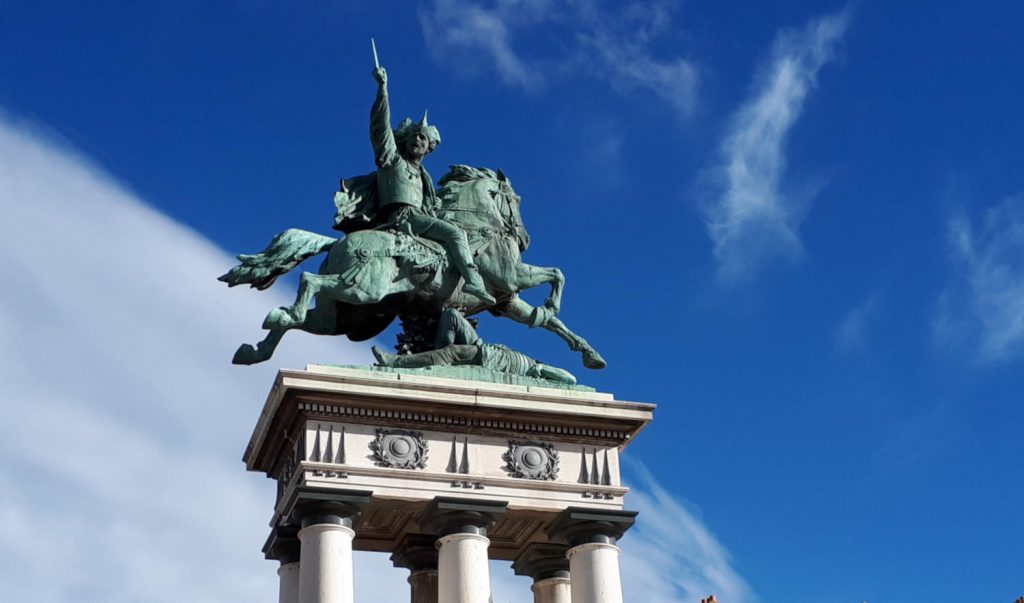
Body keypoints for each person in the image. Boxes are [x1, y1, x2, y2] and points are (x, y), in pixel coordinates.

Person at [369, 65, 495, 305]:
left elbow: (432, 208)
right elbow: (380, 128)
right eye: (414, 135)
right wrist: (383, 91)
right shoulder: (392, 159)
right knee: (455, 233)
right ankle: (473, 280)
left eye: (422, 138)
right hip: (402, 218)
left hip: (418, 218)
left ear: (429, 147)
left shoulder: (423, 176)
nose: (417, 139)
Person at [372, 309, 576, 385]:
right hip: (484, 347)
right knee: (451, 314)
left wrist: (542, 370)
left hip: (487, 359)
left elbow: (570, 379)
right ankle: (437, 358)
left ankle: (396, 362)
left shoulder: (528, 370)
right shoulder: (531, 362)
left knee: (451, 352)